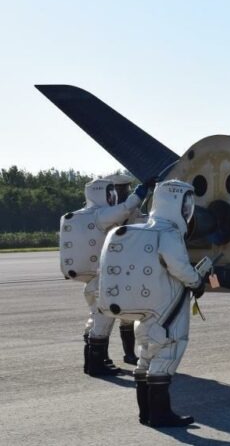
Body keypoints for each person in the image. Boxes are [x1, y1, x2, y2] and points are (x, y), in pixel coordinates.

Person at [98, 179, 204, 427]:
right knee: (166, 355)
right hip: (166, 312)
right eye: (186, 203)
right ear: (177, 203)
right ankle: (160, 414)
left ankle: (145, 413)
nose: (188, 210)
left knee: (145, 358)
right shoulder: (169, 234)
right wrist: (197, 281)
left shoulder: (143, 229)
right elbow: (180, 268)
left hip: (145, 313)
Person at [59, 178, 146, 376]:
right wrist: (140, 194)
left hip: (90, 280)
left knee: (95, 319)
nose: (113, 197)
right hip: (101, 280)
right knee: (102, 322)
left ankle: (93, 361)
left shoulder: (80, 215)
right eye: (110, 193)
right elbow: (125, 209)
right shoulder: (100, 215)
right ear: (101, 194)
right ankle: (96, 364)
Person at [106, 173, 147, 365]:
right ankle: (104, 356)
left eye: (126, 188)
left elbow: (143, 223)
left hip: (130, 265)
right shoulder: (111, 211)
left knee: (128, 313)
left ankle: (129, 354)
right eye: (122, 188)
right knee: (106, 316)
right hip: (114, 267)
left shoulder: (131, 208)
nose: (125, 191)